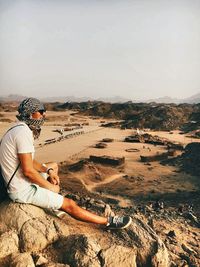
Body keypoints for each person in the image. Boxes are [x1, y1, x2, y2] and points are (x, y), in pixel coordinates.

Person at [0, 98, 132, 229]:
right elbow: (28, 171)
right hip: (21, 190)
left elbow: (28, 160)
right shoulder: (24, 133)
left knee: (53, 165)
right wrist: (50, 187)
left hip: (18, 181)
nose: (43, 115)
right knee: (70, 204)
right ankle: (109, 222)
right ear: (30, 113)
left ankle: (53, 204)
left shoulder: (18, 128)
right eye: (41, 111)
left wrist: (48, 171)